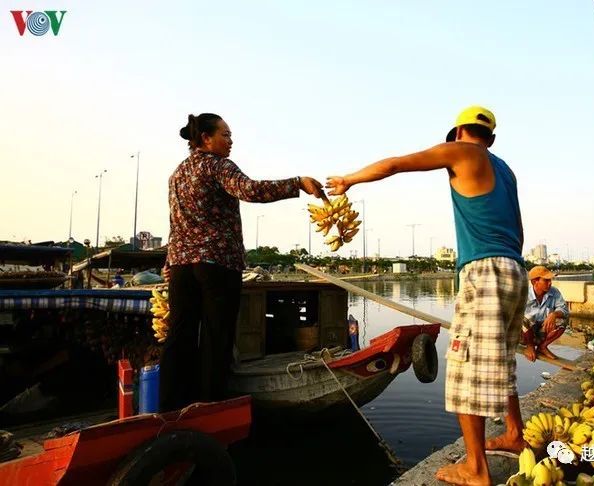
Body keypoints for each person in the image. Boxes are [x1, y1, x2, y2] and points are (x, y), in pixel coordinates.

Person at [326, 106, 527, 486]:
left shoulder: (462, 151)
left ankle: (476, 468)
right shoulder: (506, 170)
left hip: (483, 272)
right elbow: (518, 228)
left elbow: (397, 164)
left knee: (466, 368)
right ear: (492, 138)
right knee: (503, 359)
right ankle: (515, 434)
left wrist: (349, 181)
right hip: (515, 269)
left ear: (457, 134)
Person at [160, 113, 325, 412]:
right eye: (225, 134)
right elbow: (250, 191)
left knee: (179, 334)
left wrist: (169, 261)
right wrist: (296, 183)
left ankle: (169, 406)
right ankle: (209, 405)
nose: (231, 140)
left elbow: (175, 223)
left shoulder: (177, 174)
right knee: (216, 335)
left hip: (182, 264)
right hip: (216, 264)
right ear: (205, 139)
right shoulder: (217, 165)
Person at [521, 266, 569, 362]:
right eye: (546, 280)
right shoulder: (523, 294)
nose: (550, 283)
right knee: (526, 318)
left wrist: (554, 314)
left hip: (541, 333)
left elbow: (564, 310)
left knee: (562, 320)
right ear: (535, 282)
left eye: (550, 280)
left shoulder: (554, 292)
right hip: (524, 335)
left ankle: (542, 347)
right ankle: (529, 346)